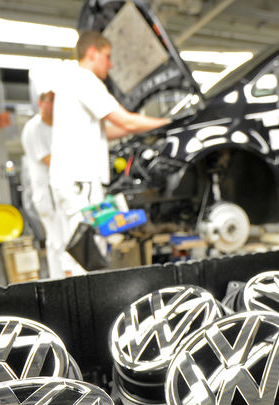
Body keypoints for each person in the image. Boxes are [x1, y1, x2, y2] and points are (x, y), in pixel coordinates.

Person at [49, 30, 169, 276]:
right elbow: (127, 122)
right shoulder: (84, 80)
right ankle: (80, 311)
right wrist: (169, 123)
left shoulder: (71, 82)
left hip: (75, 180)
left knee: (79, 251)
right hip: (79, 181)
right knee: (83, 254)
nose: (111, 64)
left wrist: (137, 129)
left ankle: (79, 307)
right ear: (92, 53)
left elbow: (110, 131)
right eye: (107, 56)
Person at [21, 90, 66, 279]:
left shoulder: (57, 127)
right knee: (58, 240)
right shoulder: (34, 127)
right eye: (50, 101)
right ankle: (63, 279)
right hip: (47, 193)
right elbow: (50, 161)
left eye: (57, 101)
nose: (54, 105)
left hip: (58, 191)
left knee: (62, 239)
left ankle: (64, 277)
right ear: (41, 103)